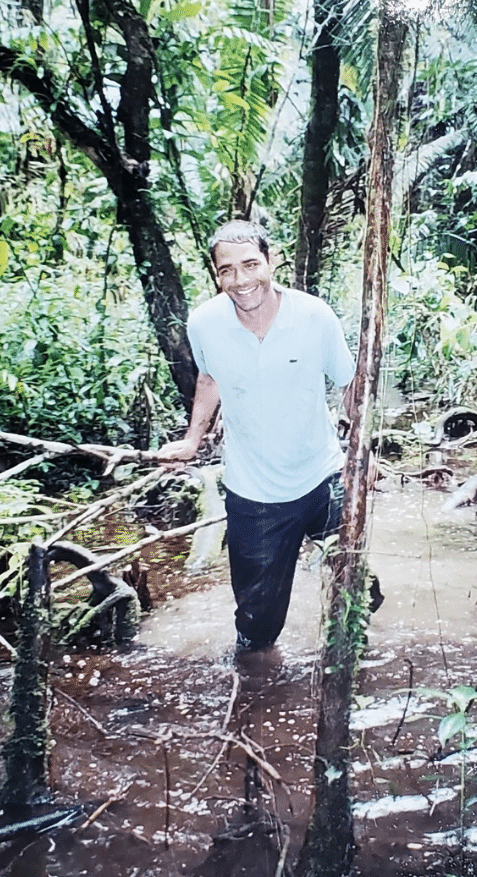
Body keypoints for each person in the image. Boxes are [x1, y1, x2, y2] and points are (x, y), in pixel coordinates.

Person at [158, 220, 356, 651]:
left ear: (271, 261)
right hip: (254, 493)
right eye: (227, 270)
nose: (241, 280)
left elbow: (350, 384)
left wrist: (363, 451)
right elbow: (209, 378)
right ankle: (256, 693)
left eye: (250, 264)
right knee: (257, 627)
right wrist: (193, 439)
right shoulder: (204, 323)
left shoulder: (314, 316)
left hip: (324, 478)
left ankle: (347, 675)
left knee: (357, 592)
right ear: (216, 275)